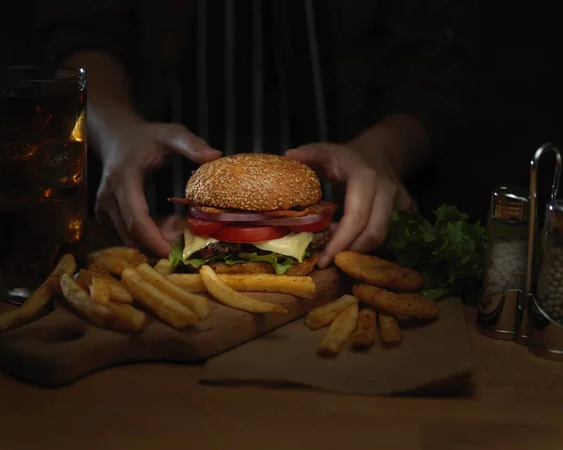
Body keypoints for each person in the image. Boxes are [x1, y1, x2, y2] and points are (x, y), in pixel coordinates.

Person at [35, 0, 478, 268]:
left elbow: (434, 68)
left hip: (354, 221)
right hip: (152, 221)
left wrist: (383, 150)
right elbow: (79, 30)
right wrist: (115, 129)